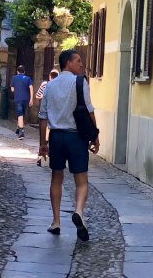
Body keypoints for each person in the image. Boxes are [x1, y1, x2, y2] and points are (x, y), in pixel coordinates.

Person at [38, 50, 99, 241]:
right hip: (76, 137)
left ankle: (56, 221)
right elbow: (89, 111)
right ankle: (79, 211)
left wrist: (43, 143)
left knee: (56, 178)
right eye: (78, 61)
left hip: (56, 137)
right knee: (81, 180)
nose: (81, 64)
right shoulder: (80, 82)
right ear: (68, 63)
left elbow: (42, 116)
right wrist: (95, 135)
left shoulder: (50, 86)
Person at [35, 69, 58, 166]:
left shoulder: (45, 84)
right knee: (52, 138)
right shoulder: (59, 86)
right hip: (55, 115)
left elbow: (38, 95)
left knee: (42, 139)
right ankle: (54, 159)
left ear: (49, 76)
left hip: (45, 114)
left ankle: (42, 160)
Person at [9, 64, 33, 139]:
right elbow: (31, 88)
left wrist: (17, 89)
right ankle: (18, 129)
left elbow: (12, 89)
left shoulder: (14, 78)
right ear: (24, 72)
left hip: (18, 98)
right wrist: (31, 99)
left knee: (20, 115)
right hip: (26, 99)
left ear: (17, 71)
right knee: (21, 114)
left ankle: (21, 132)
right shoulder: (28, 78)